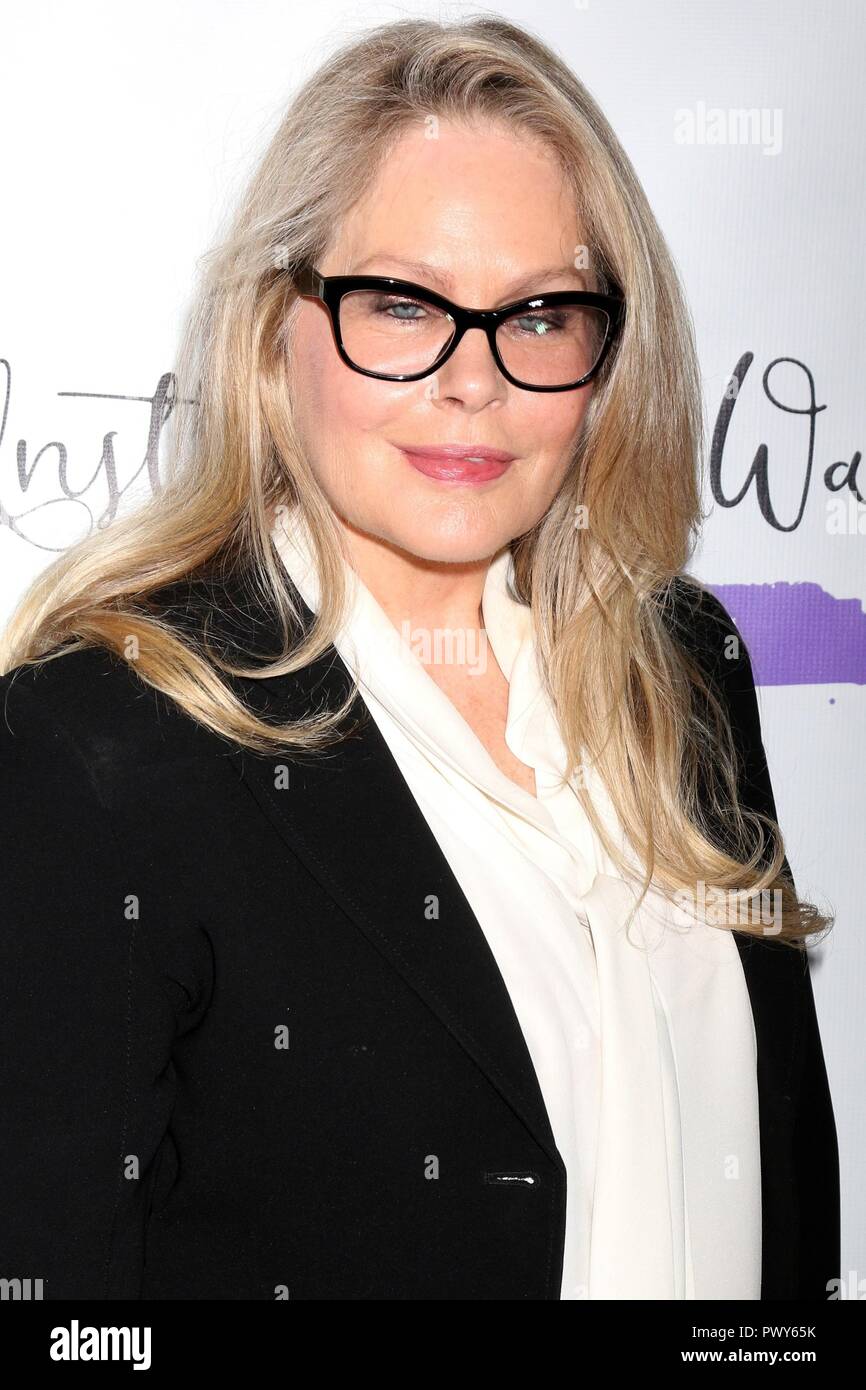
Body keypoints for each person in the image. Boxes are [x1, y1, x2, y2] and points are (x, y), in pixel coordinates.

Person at [0, 15, 839, 1300]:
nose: (473, 381)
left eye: (541, 314)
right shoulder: (99, 744)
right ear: (276, 331)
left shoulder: (681, 671)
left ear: (608, 357)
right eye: (401, 304)